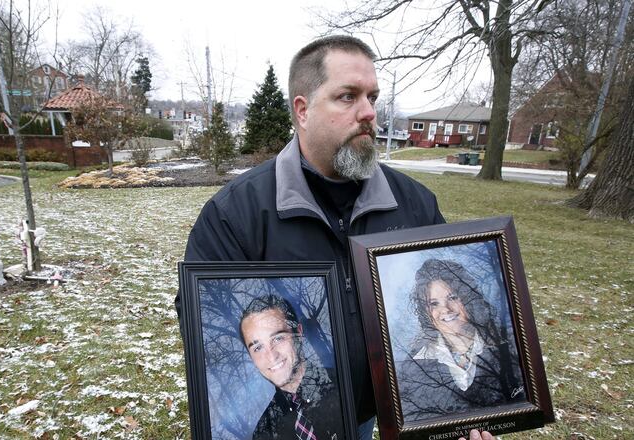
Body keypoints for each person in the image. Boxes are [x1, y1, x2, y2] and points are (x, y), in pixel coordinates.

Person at [179, 35, 496, 439]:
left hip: (393, 408)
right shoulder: (235, 215)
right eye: (348, 96)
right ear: (302, 110)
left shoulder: (415, 205)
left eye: (372, 98)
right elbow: (203, 324)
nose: (368, 113)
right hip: (307, 417)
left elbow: (446, 313)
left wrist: (466, 416)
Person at [397, 259, 526, 422]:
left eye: (452, 297)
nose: (445, 309)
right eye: (434, 303)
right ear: (425, 311)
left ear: (467, 297)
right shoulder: (413, 366)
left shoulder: (508, 347)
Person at [239, 295, 343, 439]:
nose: (271, 356)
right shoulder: (264, 431)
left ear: (298, 333)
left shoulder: (344, 386)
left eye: (277, 338)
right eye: (258, 348)